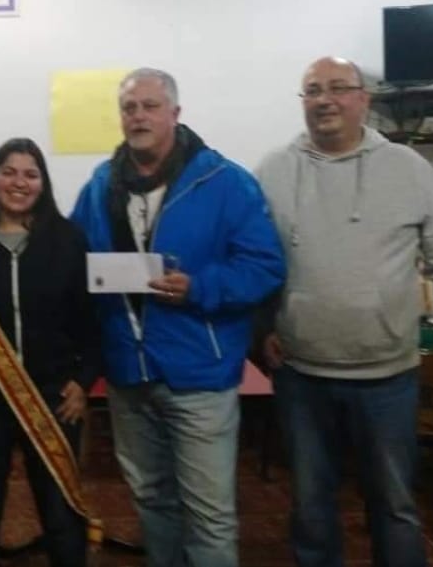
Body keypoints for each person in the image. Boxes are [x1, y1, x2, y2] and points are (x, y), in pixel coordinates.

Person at [255, 56, 433, 567]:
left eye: (337, 88)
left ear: (364, 99)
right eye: (313, 90)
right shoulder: (273, 171)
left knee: (395, 507)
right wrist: (261, 326)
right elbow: (255, 259)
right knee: (311, 507)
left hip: (387, 378)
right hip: (302, 375)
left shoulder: (408, 168)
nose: (324, 100)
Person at [70, 67, 286, 567]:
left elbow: (265, 267)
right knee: (151, 500)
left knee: (209, 516)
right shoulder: (101, 184)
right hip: (128, 375)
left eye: (150, 106)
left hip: (200, 376)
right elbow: (74, 259)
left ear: (175, 113)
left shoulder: (225, 181)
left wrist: (199, 287)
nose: (138, 116)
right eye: (129, 108)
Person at [0, 137, 100, 567]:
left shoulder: (69, 240)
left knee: (61, 512)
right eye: (8, 172)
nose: (19, 182)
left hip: (52, 396)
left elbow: (90, 319)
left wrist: (83, 381)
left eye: (30, 174)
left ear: (43, 183)